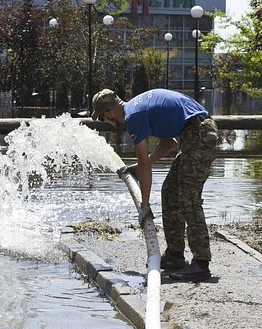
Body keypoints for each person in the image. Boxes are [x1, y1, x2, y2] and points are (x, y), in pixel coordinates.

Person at [91, 88, 218, 282]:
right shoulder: (137, 108)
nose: (107, 122)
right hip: (193, 132)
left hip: (198, 134)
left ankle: (201, 264)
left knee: (188, 199)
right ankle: (176, 255)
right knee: (170, 192)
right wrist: (144, 164)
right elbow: (169, 144)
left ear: (107, 113)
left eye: (103, 118)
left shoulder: (133, 116)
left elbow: (143, 165)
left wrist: (144, 206)